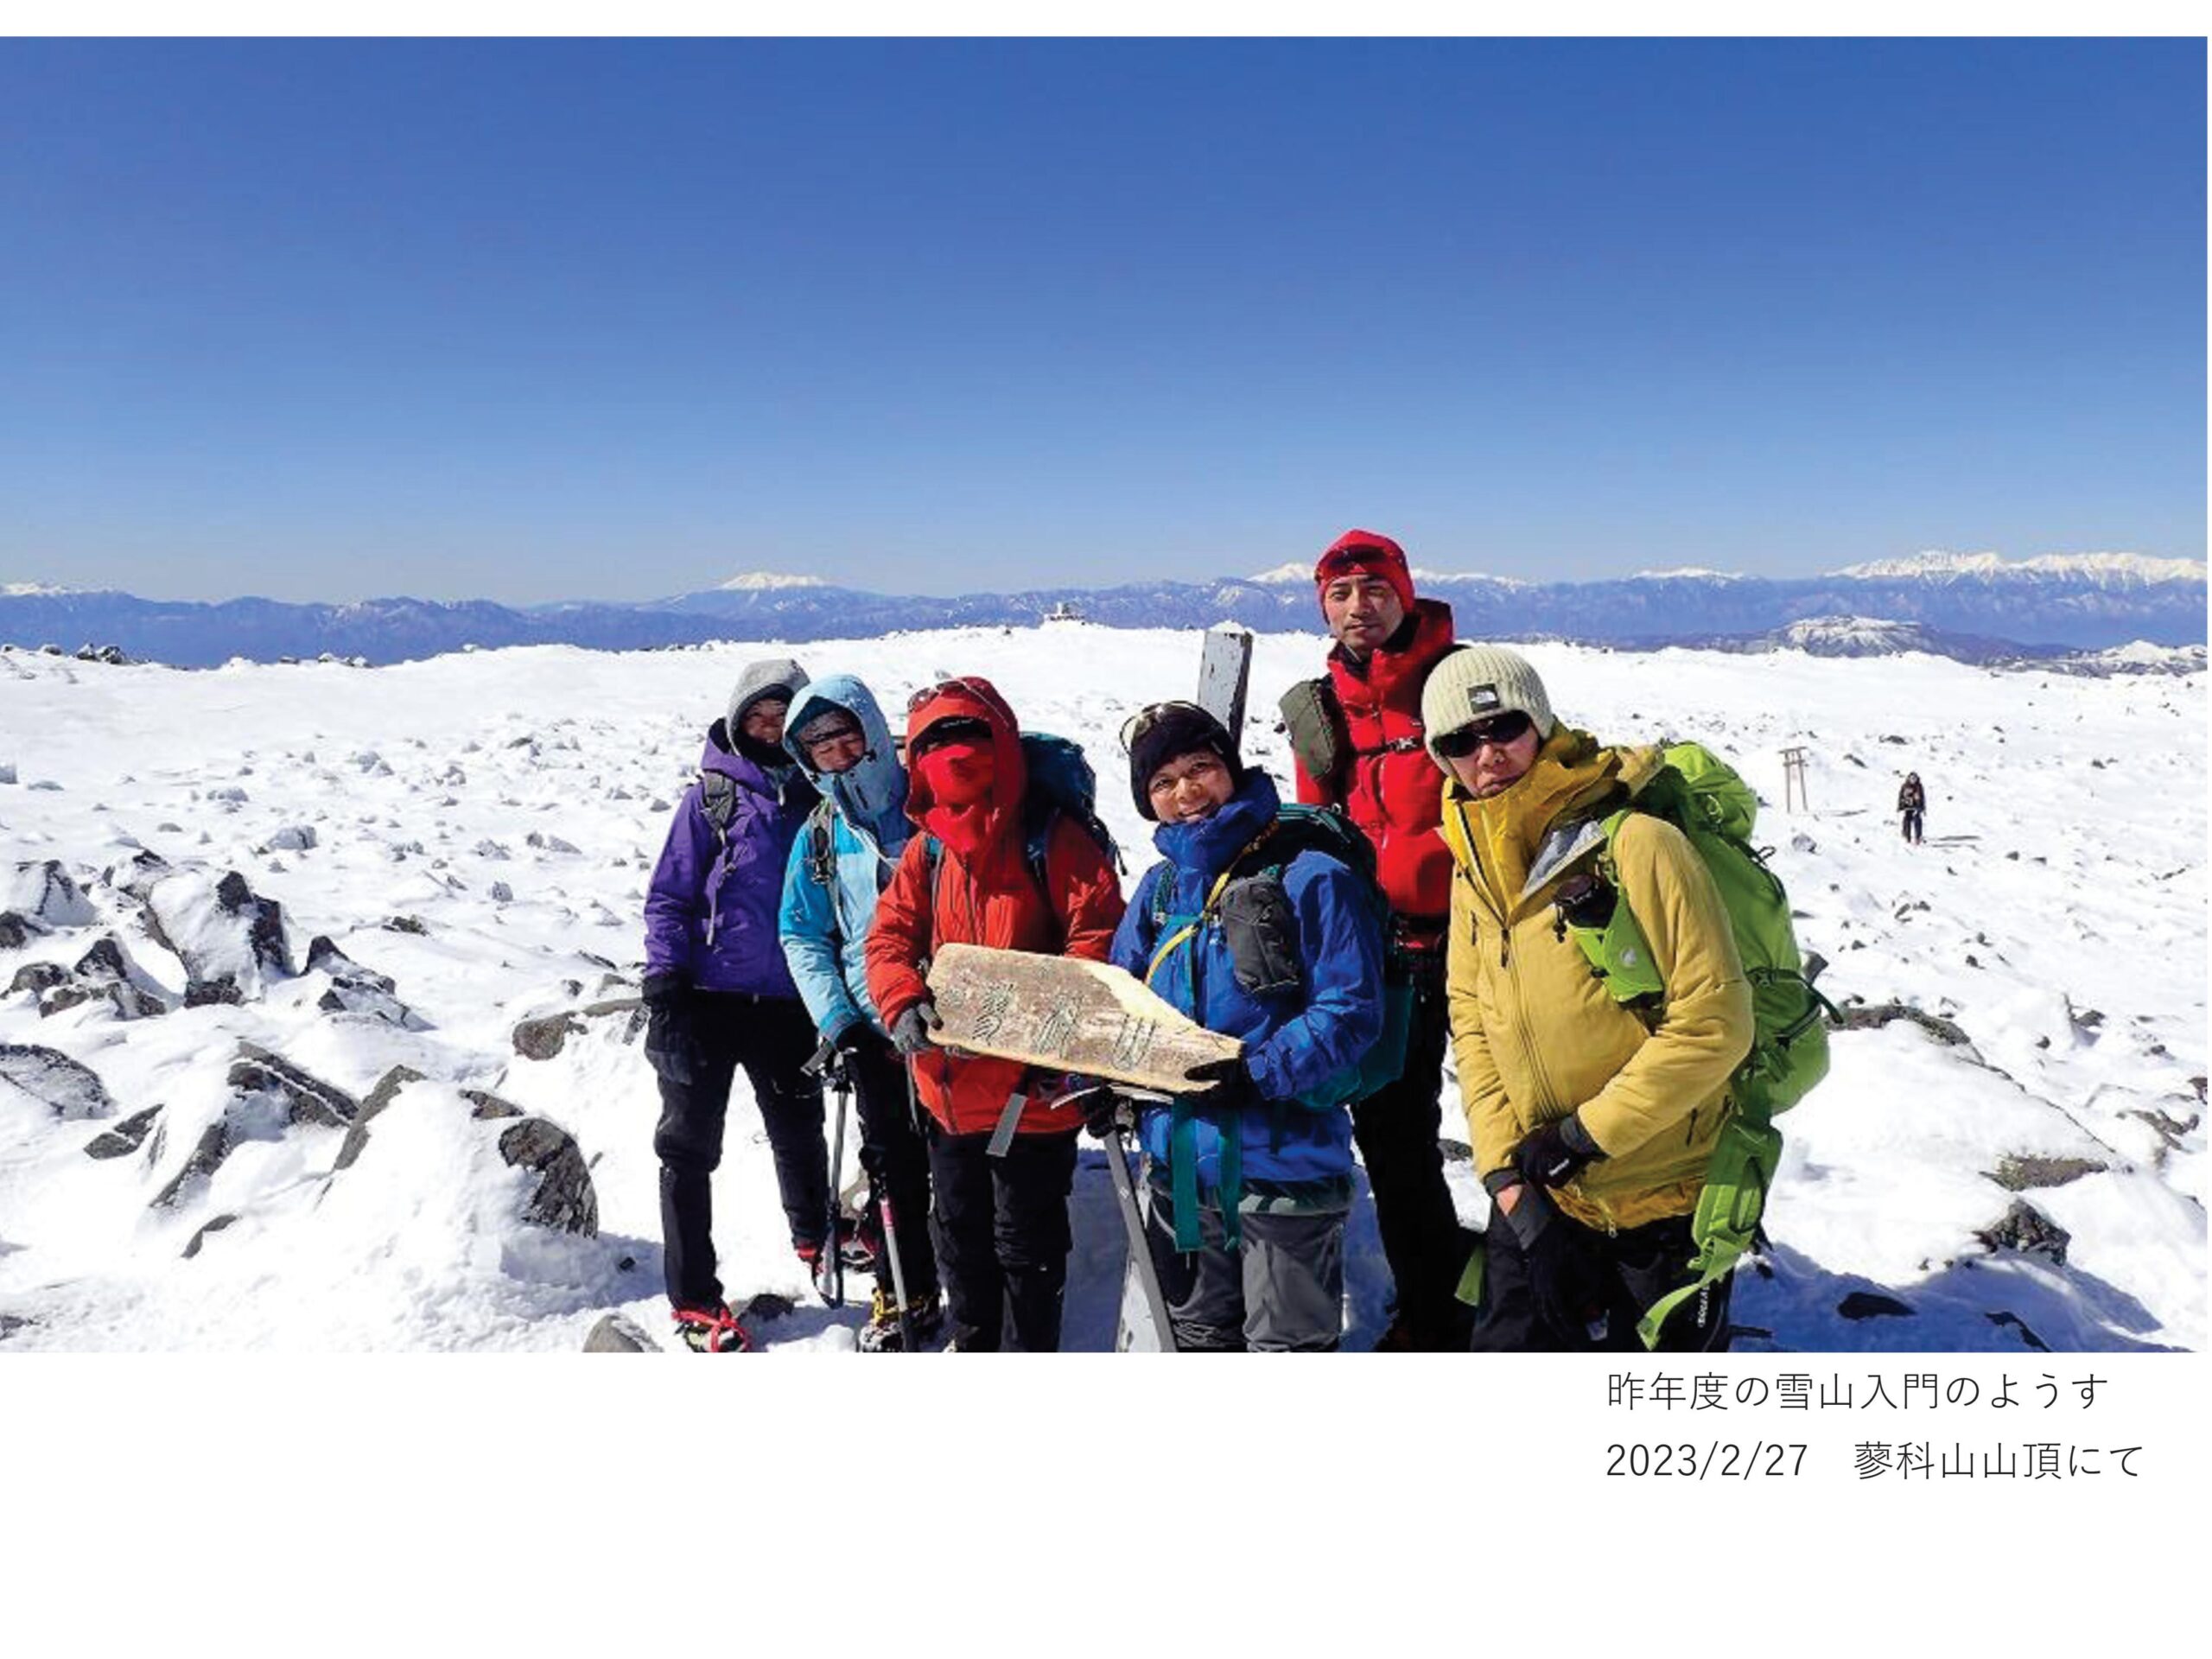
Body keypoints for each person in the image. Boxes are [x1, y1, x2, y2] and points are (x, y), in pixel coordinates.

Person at [1422, 645, 1753, 1352]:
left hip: (1664, 1203)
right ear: (1440, 758)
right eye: (1459, 741)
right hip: (1541, 1195)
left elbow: (1716, 1025)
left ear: (1540, 725)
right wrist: (1507, 1176)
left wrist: (1584, 1137)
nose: (1487, 755)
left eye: (1503, 727)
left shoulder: (1639, 845)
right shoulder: (1474, 867)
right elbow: (1472, 1020)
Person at [1103, 702, 1385, 1351]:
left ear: (1231, 769)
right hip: (1180, 1164)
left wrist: (1255, 1074)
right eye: (1163, 783)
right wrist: (1101, 1077)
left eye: (1200, 768)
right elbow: (1121, 1002)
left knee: (1285, 1348)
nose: (1186, 792)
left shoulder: (1313, 875)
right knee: (1198, 1338)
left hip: (1284, 1167)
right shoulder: (1162, 889)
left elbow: (1350, 1012)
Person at [863, 677, 1127, 1351]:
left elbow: (1095, 940)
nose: (955, 756)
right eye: (936, 742)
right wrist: (899, 1000)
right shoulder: (927, 852)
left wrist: (1055, 1042)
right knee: (961, 1235)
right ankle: (977, 1344)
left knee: (1025, 1240)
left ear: (1003, 745)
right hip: (949, 1091)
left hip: (1031, 1095)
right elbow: (889, 939)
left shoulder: (1051, 838)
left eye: (969, 736)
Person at [1281, 529, 1474, 1350]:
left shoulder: (1458, 682)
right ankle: (1435, 1302)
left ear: (1405, 591)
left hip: (1480, 939)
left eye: (1375, 589)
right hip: (1382, 952)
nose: (1359, 607)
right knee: (1395, 1138)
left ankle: (1555, 1287)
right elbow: (1314, 829)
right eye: (1340, 594)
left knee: (1530, 1122)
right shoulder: (1319, 706)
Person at [643, 658, 849, 1353]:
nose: (766, 729)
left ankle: (815, 1235)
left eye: (779, 718)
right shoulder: (710, 800)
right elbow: (670, 896)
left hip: (789, 1000)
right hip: (706, 999)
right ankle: (694, 1296)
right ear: (738, 721)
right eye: (757, 717)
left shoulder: (822, 800)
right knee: (688, 1147)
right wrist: (666, 991)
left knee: (799, 1128)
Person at [778, 676, 944, 1352]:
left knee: (960, 1164)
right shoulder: (821, 833)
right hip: (872, 1028)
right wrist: (839, 1021)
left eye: (843, 732)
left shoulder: (932, 805)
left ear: (871, 728)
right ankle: (908, 1290)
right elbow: (802, 931)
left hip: (954, 1021)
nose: (835, 751)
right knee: (892, 1166)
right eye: (816, 743)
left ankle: (979, 1279)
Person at [1897, 772, 1926, 845]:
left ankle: (1918, 837)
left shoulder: (1919, 787)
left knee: (1917, 820)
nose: (1913, 780)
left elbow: (1922, 797)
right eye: (1912, 779)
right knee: (1907, 820)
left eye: (1915, 779)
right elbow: (1901, 796)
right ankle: (1907, 836)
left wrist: (1922, 807)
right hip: (1907, 806)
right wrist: (1900, 806)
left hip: (1917, 806)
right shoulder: (1905, 786)